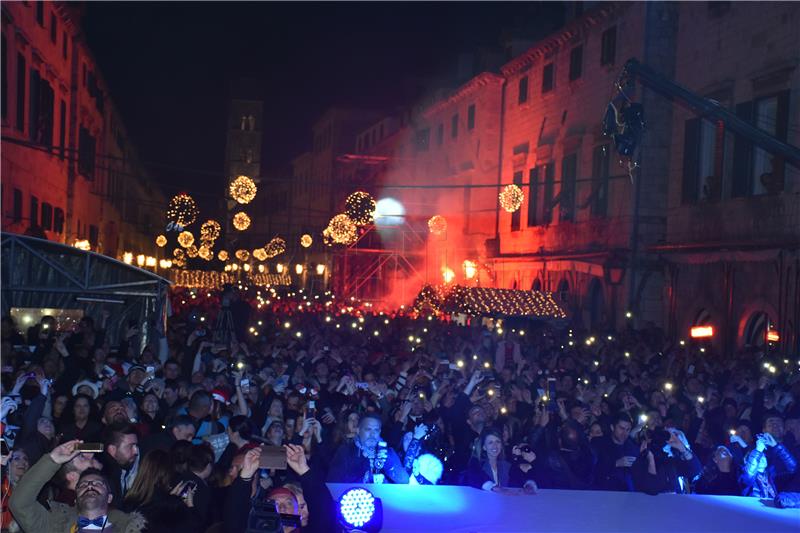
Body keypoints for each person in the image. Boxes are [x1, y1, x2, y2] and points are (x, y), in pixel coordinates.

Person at [9, 439, 147, 532]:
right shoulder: (55, 525)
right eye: (83, 485)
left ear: (110, 497)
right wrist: (53, 460)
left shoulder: (129, 527)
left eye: (98, 484)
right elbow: (20, 504)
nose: (90, 486)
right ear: (75, 497)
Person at [122, 449, 200, 533]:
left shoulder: (128, 500)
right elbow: (195, 527)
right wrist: (189, 504)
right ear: (167, 473)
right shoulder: (171, 505)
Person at [327, 413, 409, 484]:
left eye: (376, 430)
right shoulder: (346, 451)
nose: (372, 434)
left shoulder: (388, 452)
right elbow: (334, 482)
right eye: (368, 429)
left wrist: (388, 462)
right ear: (358, 430)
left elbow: (404, 480)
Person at [466, 429, 537, 493]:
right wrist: (493, 487)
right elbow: (475, 477)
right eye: (490, 442)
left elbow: (519, 478)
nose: (495, 446)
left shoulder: (506, 465)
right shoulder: (476, 463)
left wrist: (528, 484)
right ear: (484, 447)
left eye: (498, 442)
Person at [740, 431, 797, 498]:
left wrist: (776, 446)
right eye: (754, 455)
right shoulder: (743, 477)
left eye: (762, 454)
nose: (760, 456)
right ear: (746, 461)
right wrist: (758, 450)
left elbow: (793, 467)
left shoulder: (773, 476)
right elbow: (749, 475)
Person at [592, 413, 640, 491]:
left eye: (628, 430)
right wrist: (616, 463)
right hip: (603, 492)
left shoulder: (633, 447)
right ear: (612, 427)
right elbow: (593, 470)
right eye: (621, 428)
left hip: (626, 494)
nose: (624, 433)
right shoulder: (599, 443)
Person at [101, 422, 140, 500]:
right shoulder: (103, 480)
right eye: (130, 446)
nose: (136, 451)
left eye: (136, 446)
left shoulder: (139, 467)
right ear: (112, 450)